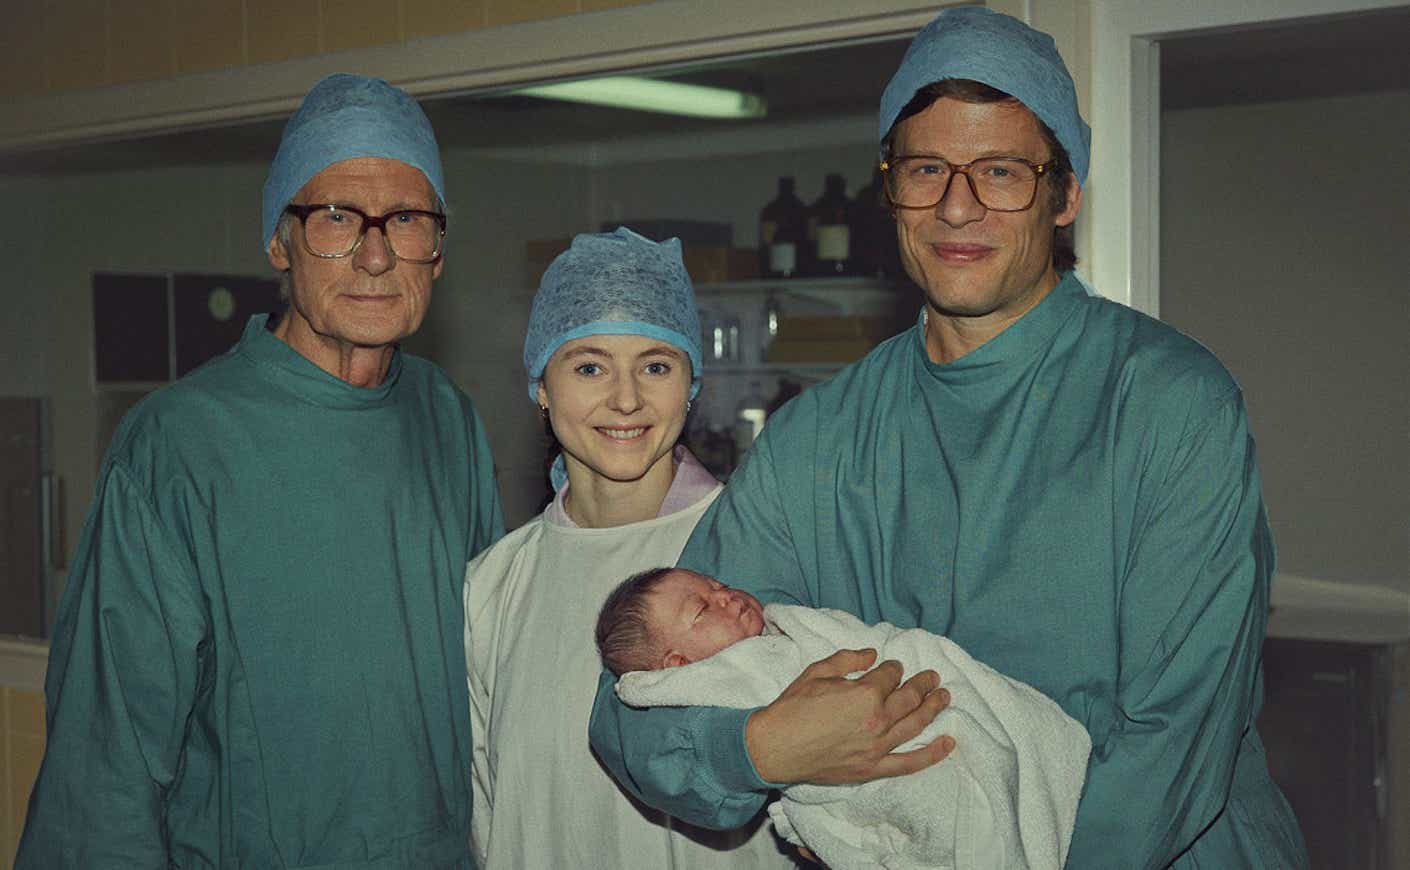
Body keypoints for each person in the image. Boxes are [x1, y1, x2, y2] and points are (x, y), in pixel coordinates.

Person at [590, 8, 1310, 868]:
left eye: (1001, 171)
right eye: (927, 169)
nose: (957, 207)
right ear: (889, 189)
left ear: (1065, 193)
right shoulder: (819, 439)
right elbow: (633, 704)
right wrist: (762, 749)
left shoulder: (1166, 405)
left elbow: (1175, 739)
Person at [17, 73, 503, 869]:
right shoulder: (179, 446)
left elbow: (495, 680)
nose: (375, 255)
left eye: (407, 219)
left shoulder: (446, 419)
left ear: (438, 251)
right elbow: (106, 763)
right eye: (337, 218)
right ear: (279, 242)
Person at [464, 228, 794, 868]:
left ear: (692, 385)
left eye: (656, 366)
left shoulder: (756, 549)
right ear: (540, 385)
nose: (626, 398)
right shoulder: (494, 586)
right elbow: (488, 809)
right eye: (589, 366)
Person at [598, 566, 1090, 870]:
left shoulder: (788, 629)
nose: (727, 596)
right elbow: (638, 706)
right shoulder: (714, 683)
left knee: (978, 787)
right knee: (947, 824)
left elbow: (868, 644)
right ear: (678, 667)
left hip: (919, 714)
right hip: (855, 790)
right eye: (703, 608)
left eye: (720, 585)